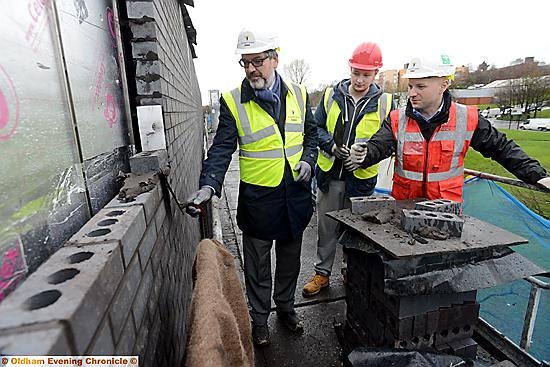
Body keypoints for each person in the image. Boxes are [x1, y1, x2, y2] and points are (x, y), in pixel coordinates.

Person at [185, 28, 318, 347]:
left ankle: (286, 308)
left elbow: (311, 136)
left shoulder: (298, 94)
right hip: (259, 200)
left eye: (257, 61)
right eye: (245, 63)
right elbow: (221, 149)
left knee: (290, 262)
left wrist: (309, 162)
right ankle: (260, 320)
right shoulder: (233, 101)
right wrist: (208, 186)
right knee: (258, 267)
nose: (251, 69)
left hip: (294, 197)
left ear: (274, 59)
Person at [349, 54, 550, 201]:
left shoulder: (467, 118)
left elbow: (502, 148)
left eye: (421, 87)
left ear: (443, 85)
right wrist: (364, 154)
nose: (412, 93)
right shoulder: (397, 119)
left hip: (445, 212)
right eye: (410, 86)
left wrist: (538, 175)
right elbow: (378, 146)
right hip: (403, 209)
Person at [302, 42, 393, 297]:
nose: (360, 79)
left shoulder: (385, 103)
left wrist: (365, 158)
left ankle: (348, 271)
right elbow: (315, 128)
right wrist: (331, 146)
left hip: (360, 181)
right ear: (349, 69)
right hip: (330, 176)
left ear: (376, 74)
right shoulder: (332, 95)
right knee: (327, 228)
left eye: (366, 74)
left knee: (355, 231)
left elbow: (388, 142)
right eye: (356, 73)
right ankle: (322, 273)